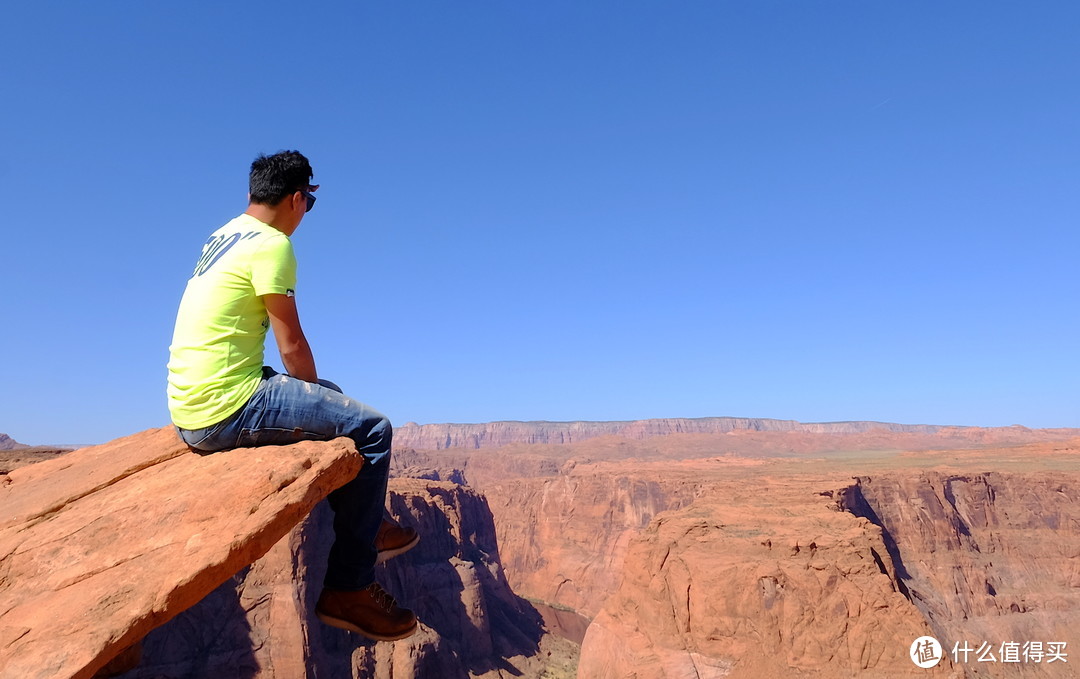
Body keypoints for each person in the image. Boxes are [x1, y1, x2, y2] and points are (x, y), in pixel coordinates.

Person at [166, 150, 418, 641]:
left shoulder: (223, 235)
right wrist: (311, 386)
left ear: (252, 194)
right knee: (372, 429)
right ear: (298, 198)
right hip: (227, 407)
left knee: (333, 398)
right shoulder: (273, 244)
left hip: (192, 400)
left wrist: (319, 392)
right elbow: (292, 345)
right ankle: (350, 588)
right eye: (310, 204)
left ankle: (373, 528)